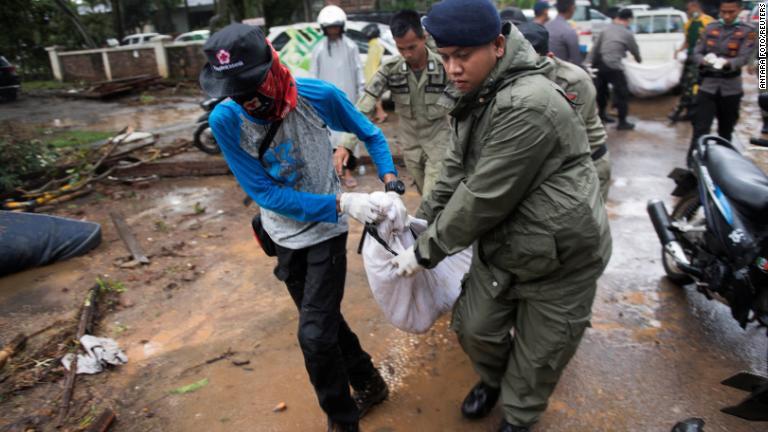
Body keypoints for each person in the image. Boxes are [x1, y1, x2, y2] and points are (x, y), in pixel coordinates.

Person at [389, 1, 612, 431]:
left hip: (561, 256)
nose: (452, 68)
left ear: (496, 44)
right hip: (508, 244)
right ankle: (493, 380)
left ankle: (519, 415)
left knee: (540, 352)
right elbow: (454, 167)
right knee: (474, 329)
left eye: (462, 55)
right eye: (446, 55)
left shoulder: (529, 102)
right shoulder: (482, 90)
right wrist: (421, 223)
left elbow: (484, 196)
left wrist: (426, 251)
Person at [200, 24, 401, 432]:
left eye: (252, 87)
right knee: (324, 326)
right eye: (235, 92)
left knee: (313, 335)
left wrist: (391, 182)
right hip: (282, 234)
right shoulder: (225, 119)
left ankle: (343, 423)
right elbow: (265, 194)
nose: (247, 101)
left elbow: (372, 134)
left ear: (272, 67)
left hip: (326, 232)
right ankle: (369, 382)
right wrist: (344, 200)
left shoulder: (317, 97)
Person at [343, 9, 452, 197]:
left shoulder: (445, 66)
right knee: (423, 194)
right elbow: (365, 103)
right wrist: (347, 144)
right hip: (410, 146)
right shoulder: (391, 69)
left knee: (432, 198)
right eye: (401, 48)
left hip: (439, 143)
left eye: (412, 47)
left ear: (423, 38)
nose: (407, 54)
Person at [517, 21, 611, 203]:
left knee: (587, 227)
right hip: (556, 168)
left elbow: (567, 138)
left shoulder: (573, 81)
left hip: (588, 165)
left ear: (550, 57)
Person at [689, 0, 756, 161]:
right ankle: (694, 164)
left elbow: (745, 56)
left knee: (725, 131)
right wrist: (704, 61)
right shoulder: (710, 28)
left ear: (739, 10)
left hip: (731, 88)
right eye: (723, 12)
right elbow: (697, 52)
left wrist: (728, 63)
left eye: (731, 12)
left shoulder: (751, 31)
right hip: (708, 86)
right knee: (700, 128)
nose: (726, 16)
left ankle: (724, 164)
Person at [311, 5, 365, 187]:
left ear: (342, 26)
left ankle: (348, 171)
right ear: (324, 28)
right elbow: (313, 76)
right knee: (328, 137)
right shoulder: (318, 50)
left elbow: (359, 72)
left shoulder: (351, 47)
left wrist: (362, 95)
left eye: (336, 27)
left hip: (348, 99)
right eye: (330, 27)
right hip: (326, 103)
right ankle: (334, 174)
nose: (333, 30)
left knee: (348, 136)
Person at [590, 8, 641, 130]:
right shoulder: (627, 33)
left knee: (602, 91)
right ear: (629, 19)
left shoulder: (605, 29)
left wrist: (588, 63)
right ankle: (622, 122)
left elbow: (595, 48)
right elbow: (634, 49)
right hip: (613, 65)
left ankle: (602, 116)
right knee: (622, 92)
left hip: (599, 64)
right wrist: (639, 60)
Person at [669, 0, 715, 123]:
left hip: (701, 60)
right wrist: (678, 50)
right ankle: (689, 112)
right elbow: (687, 41)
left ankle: (683, 112)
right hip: (690, 58)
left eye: (688, 9)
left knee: (693, 87)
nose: (687, 12)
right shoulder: (689, 24)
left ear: (695, 7)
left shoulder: (708, 22)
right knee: (685, 84)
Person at [361, 23, 388, 123]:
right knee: (375, 98)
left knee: (376, 99)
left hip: (373, 77)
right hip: (375, 76)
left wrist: (371, 80)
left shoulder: (374, 46)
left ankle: (382, 115)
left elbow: (372, 65)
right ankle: (377, 115)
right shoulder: (376, 44)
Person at [545, 0, 582, 65]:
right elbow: (576, 60)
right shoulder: (569, 31)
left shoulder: (545, 26)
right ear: (572, 8)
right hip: (561, 71)